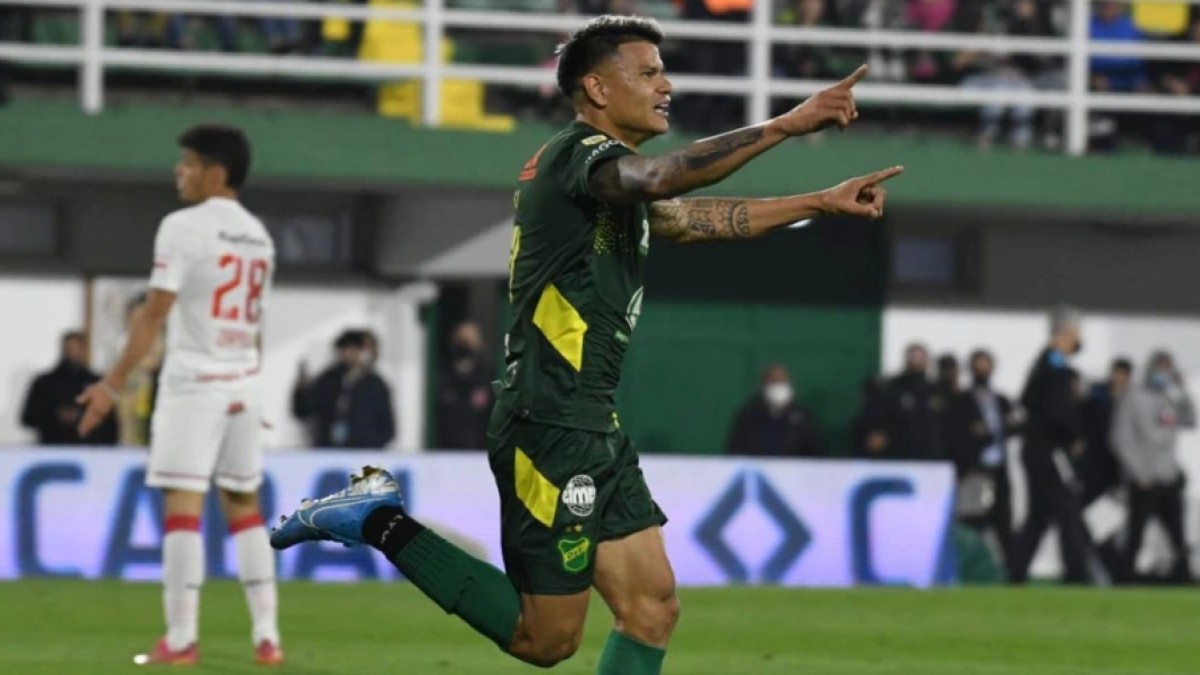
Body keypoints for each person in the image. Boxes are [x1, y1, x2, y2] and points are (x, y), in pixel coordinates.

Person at [271, 14, 901, 674]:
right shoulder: (578, 156)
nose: (666, 85)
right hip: (549, 419)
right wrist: (784, 125)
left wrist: (820, 202)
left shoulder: (608, 179)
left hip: (593, 419)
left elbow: (690, 218)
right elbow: (660, 180)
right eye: (648, 72)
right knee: (546, 640)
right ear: (598, 89)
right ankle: (377, 519)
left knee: (652, 608)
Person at [75, 125, 283, 666]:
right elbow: (254, 324)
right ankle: (267, 638)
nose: (179, 172)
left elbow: (152, 316)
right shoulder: (259, 235)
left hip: (194, 383)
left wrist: (111, 384)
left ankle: (181, 638)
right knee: (244, 506)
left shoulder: (183, 226)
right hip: (243, 382)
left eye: (188, 163)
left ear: (215, 172)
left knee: (182, 507)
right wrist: (250, 387)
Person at [1011, 306, 1104, 585]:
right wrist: (1072, 436)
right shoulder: (1056, 368)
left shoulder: (1043, 363)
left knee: (1038, 516)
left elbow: (1027, 400)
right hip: (1050, 450)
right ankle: (1076, 576)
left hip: (1035, 448)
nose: (1079, 338)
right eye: (1076, 332)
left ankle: (1015, 574)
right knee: (1068, 512)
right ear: (1065, 332)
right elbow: (1058, 411)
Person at [1111, 351, 1195, 582]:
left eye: (1168, 369)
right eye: (1160, 368)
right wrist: (1139, 472)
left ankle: (1182, 574)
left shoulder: (1170, 398)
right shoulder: (1133, 398)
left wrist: (1182, 391)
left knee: (1177, 533)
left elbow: (1190, 420)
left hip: (1168, 477)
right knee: (1136, 531)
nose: (1164, 374)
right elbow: (1121, 439)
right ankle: (1126, 577)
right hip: (1144, 479)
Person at [949, 349, 1023, 577]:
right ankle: (963, 571)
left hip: (999, 470)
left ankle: (1012, 574)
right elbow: (959, 435)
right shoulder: (962, 400)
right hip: (975, 470)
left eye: (986, 364)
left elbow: (1016, 425)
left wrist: (1005, 426)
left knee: (1004, 523)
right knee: (972, 521)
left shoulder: (1001, 400)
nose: (983, 369)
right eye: (978, 364)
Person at [291, 329, 396, 449]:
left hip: (365, 452)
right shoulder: (327, 380)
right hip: (329, 450)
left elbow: (388, 428)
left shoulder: (376, 384)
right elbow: (302, 411)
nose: (350, 354)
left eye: (355, 349)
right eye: (346, 349)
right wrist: (301, 389)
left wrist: (371, 445)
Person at [20, 331, 118, 445]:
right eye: (70, 349)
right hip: (53, 447)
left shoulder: (98, 383)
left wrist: (82, 416)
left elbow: (110, 423)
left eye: (78, 348)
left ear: (84, 350)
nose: (74, 353)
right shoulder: (44, 383)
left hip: (90, 449)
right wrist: (56, 415)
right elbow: (28, 418)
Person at [864, 343, 944, 460]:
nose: (916, 362)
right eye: (913, 357)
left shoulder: (936, 391)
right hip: (899, 454)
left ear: (927, 361)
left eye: (920, 358)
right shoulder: (893, 388)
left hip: (930, 456)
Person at [725, 364, 825, 457]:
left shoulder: (803, 417)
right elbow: (735, 449)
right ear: (763, 386)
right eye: (773, 382)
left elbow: (816, 451)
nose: (777, 386)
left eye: (781, 381)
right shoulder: (748, 416)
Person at [1078, 358, 1133, 507]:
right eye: (1117, 373)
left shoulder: (1132, 398)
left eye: (1123, 374)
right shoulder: (1097, 393)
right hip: (1094, 453)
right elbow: (1083, 419)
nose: (1119, 377)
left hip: (1118, 456)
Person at [436, 321, 494, 450]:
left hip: (479, 446)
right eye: (461, 340)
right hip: (448, 445)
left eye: (469, 341)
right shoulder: (445, 373)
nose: (465, 346)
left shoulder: (486, 374)